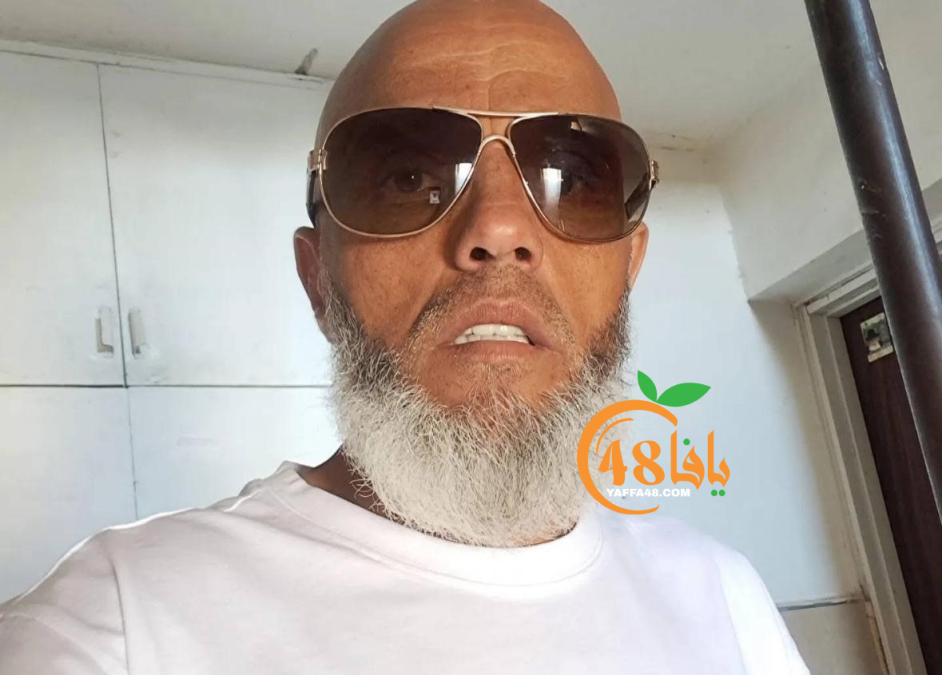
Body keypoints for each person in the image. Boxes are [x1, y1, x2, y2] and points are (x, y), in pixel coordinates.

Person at [0, 1, 810, 672]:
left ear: (628, 268)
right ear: (320, 281)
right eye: (408, 177)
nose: (497, 230)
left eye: (572, 176)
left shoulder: (723, 596)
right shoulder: (118, 621)